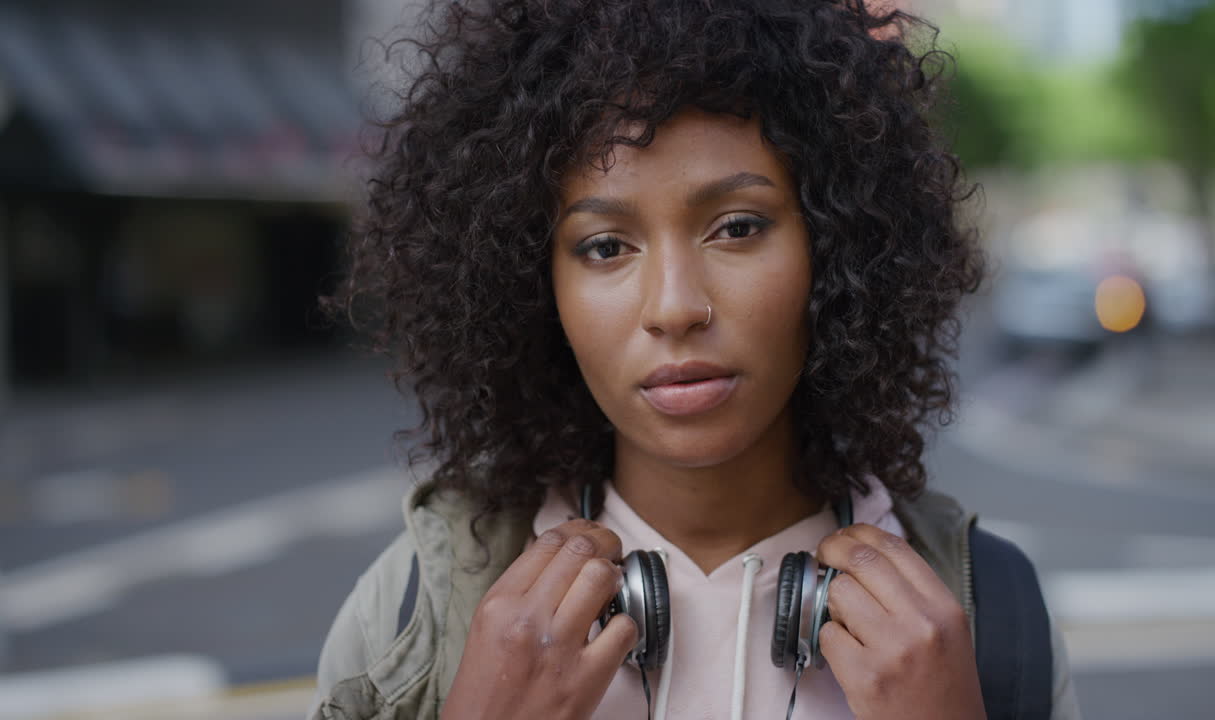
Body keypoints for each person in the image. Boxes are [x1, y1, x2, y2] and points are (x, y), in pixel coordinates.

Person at [310, 1, 1082, 719]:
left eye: (738, 227)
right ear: (532, 284)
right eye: (605, 246)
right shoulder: (417, 612)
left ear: (838, 248)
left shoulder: (989, 618)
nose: (675, 306)